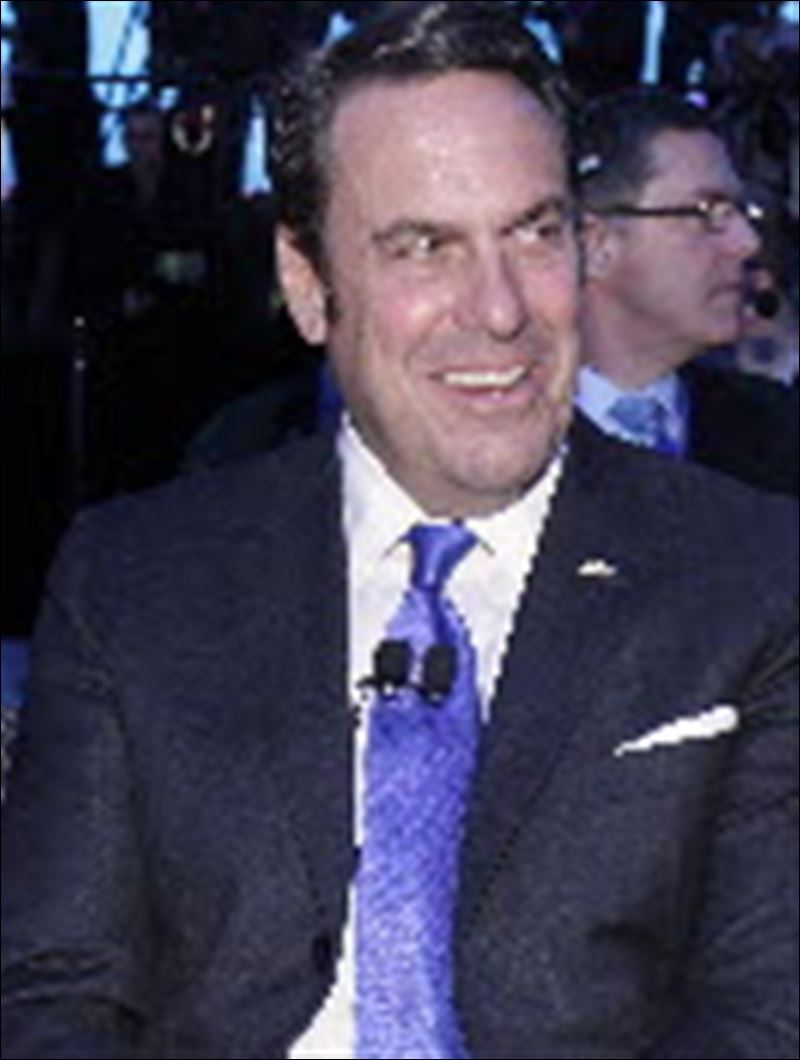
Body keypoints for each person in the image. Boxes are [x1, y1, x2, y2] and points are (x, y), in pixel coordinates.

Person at [2, 5, 798, 1058]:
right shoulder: (136, 582)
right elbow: (55, 996)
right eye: (423, 247)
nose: (500, 310)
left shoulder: (749, 578)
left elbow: (764, 1015)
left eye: (533, 232)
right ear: (307, 286)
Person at [575, 86, 799, 497]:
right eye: (707, 213)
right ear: (596, 245)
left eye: (740, 213)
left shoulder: (780, 433)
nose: (747, 243)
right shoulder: (493, 437)